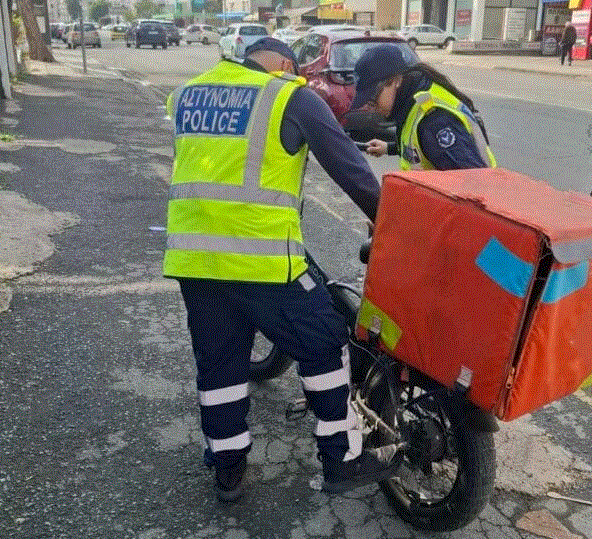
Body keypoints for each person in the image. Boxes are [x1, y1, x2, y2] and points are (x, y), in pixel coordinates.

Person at [163, 38, 397, 502]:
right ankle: (341, 459)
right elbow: (349, 171)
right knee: (326, 343)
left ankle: (228, 467)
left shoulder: (187, 94)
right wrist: (393, 223)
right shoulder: (289, 96)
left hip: (196, 260)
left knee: (219, 365)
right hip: (265, 263)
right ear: (286, 65)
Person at [349, 44, 496, 170]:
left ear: (395, 81)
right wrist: (388, 148)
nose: (372, 108)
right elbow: (421, 150)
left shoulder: (435, 121)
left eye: (373, 100)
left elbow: (470, 182)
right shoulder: (410, 102)